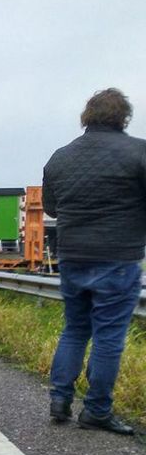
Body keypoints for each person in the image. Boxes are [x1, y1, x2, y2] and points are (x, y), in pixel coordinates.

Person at [43, 88, 146, 435]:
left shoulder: (60, 157)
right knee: (108, 337)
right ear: (124, 117)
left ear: (87, 116)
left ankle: (60, 402)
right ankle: (97, 411)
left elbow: (51, 209)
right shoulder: (138, 153)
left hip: (72, 257)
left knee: (74, 329)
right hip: (118, 257)